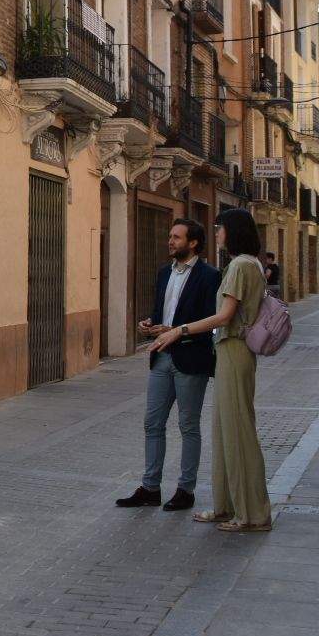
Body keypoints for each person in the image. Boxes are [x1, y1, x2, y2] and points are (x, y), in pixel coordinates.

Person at [149, 207, 271, 532]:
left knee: (238, 432)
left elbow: (223, 316)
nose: (217, 234)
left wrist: (179, 330)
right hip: (229, 352)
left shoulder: (239, 266)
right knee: (223, 431)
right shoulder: (249, 265)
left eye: (220, 229)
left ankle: (251, 514)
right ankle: (224, 506)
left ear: (232, 231)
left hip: (234, 350)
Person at [115, 219, 220, 513]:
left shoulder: (210, 276)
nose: (170, 241)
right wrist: (151, 324)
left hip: (190, 359)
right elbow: (160, 311)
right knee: (152, 423)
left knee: (188, 426)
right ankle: (150, 487)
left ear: (193, 243)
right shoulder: (164, 273)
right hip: (162, 357)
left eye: (176, 237)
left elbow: (212, 319)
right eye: (170, 236)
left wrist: (176, 329)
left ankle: (185, 490)